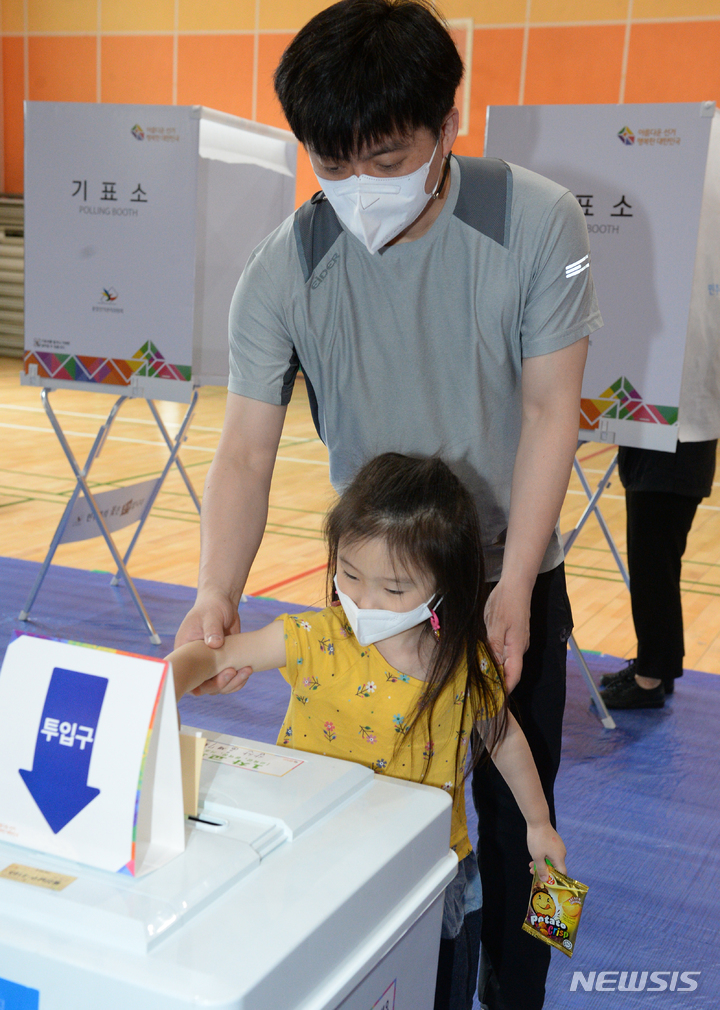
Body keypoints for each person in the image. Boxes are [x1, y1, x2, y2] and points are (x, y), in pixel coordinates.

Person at [175, 2, 601, 1006]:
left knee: (519, 817)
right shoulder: (287, 266)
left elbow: (550, 412)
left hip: (505, 567)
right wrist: (214, 593)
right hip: (377, 589)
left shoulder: (537, 221)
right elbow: (243, 449)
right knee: (360, 799)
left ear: (448, 124)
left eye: (385, 156)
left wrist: (512, 590)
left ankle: (515, 988)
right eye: (333, 162)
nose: (359, 187)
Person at [169, 454, 568, 1010]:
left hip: (433, 875)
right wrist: (164, 686)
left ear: (444, 586)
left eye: (395, 588)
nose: (364, 601)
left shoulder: (466, 664)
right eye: (350, 574)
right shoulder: (316, 638)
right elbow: (215, 657)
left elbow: (502, 738)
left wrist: (539, 823)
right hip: (314, 866)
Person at [600, 439, 717, 709]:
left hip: (667, 462)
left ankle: (649, 680)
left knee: (653, 577)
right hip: (657, 461)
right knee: (656, 573)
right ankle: (657, 668)